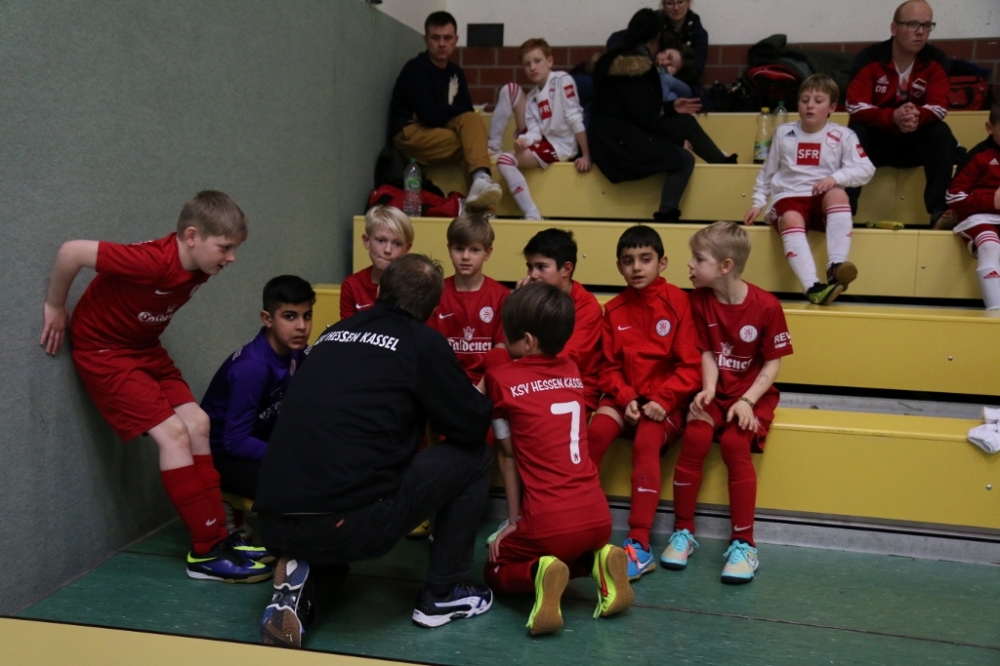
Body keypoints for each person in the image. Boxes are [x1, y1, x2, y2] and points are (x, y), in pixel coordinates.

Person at [254, 254, 494, 649]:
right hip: (346, 524)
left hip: (272, 523)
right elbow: (470, 426)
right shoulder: (421, 342)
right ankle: (444, 592)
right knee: (475, 458)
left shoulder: (332, 334)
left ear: (380, 289)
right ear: (432, 309)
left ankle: (300, 591)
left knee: (333, 530)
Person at [39, 190, 272, 583]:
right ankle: (205, 552)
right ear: (192, 236)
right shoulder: (152, 261)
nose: (231, 257)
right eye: (225, 247)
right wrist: (55, 306)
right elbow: (72, 251)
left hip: (144, 349)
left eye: (235, 248)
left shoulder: (201, 265)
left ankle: (220, 534)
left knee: (198, 423)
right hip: (105, 352)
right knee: (174, 435)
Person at [484, 282, 634, 635]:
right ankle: (599, 561)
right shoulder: (571, 369)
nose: (503, 340)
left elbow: (507, 456)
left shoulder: (500, 378)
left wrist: (513, 521)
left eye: (508, 335)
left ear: (528, 341)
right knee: (568, 547)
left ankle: (538, 571)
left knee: (493, 567)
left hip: (548, 522)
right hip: (597, 516)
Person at [663, 222, 794, 584]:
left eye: (698, 258)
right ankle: (682, 531)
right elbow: (706, 351)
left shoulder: (766, 305)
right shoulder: (698, 301)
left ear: (725, 266)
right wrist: (708, 389)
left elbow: (772, 363)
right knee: (695, 437)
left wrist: (748, 400)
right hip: (715, 392)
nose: (690, 265)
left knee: (736, 445)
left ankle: (745, 545)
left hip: (752, 395)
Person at [585, 225, 700, 580]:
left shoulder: (678, 302)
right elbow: (608, 368)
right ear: (619, 266)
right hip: (625, 397)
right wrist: (626, 397)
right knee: (596, 433)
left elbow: (690, 367)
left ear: (662, 263)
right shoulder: (614, 309)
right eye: (628, 260)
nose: (636, 267)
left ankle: (639, 542)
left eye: (645, 259)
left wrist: (663, 400)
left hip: (667, 401)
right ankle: (578, 522)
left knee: (647, 441)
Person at [589, 9, 732, 222]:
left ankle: (723, 165)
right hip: (617, 147)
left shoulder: (612, 60)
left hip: (610, 138)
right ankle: (667, 215)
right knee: (684, 159)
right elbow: (642, 117)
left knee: (685, 121)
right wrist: (677, 140)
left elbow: (633, 110)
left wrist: (672, 107)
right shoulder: (639, 67)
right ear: (656, 37)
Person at [744, 75, 875, 306]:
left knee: (838, 194)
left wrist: (835, 178)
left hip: (820, 201)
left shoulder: (843, 135)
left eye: (818, 101)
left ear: (832, 108)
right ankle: (812, 287)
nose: (810, 106)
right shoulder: (784, 133)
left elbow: (866, 169)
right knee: (791, 218)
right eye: (804, 100)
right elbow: (768, 171)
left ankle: (836, 266)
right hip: (789, 198)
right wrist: (757, 202)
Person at [201, 276, 314, 511]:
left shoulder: (297, 350)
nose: (302, 326)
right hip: (221, 457)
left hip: (259, 438)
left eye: (307, 316)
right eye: (290, 316)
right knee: (300, 482)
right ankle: (227, 511)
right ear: (267, 319)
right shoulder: (253, 369)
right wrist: (289, 453)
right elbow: (235, 442)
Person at [845, 0, 956, 227]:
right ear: (894, 28)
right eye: (912, 24)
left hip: (913, 141)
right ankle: (843, 209)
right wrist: (892, 117)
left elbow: (938, 107)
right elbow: (855, 105)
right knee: (854, 132)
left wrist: (914, 116)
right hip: (875, 143)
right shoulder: (870, 57)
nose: (920, 32)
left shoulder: (936, 59)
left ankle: (939, 211)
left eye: (927, 25)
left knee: (940, 132)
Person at [389, 11, 503, 211]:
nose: (442, 44)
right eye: (436, 38)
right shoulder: (416, 68)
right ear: (426, 39)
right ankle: (483, 207)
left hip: (437, 132)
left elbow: (464, 111)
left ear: (456, 40)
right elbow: (430, 115)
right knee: (472, 143)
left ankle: (480, 180)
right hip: (410, 135)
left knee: (471, 123)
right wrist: (442, 112)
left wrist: (438, 111)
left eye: (447, 38)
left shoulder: (456, 72)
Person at [487, 38, 592, 220]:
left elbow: (575, 117)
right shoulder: (533, 95)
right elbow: (535, 130)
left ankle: (533, 215)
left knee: (505, 161)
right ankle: (493, 147)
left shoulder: (562, 80)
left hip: (560, 146)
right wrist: (525, 140)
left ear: (549, 61)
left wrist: (586, 155)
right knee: (510, 89)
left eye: (537, 61)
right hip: (542, 141)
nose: (532, 68)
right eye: (527, 64)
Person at [518, 229, 603, 412]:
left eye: (541, 267)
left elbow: (566, 356)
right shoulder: (532, 298)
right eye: (530, 267)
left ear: (566, 269)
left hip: (574, 387)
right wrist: (519, 304)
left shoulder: (587, 307)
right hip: (534, 380)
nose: (533, 274)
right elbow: (513, 344)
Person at [428, 214, 509, 385]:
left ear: (488, 252)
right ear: (449, 249)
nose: (465, 256)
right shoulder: (434, 292)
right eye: (459, 249)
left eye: (474, 250)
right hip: (444, 381)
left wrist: (480, 390)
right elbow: (429, 349)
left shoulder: (501, 295)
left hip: (486, 384)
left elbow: (501, 350)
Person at [945, 101, 1000, 310]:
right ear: (990, 127)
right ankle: (996, 314)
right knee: (990, 245)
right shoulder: (978, 156)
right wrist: (991, 201)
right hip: (980, 218)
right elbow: (953, 197)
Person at [340, 205, 413, 320]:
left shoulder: (416, 286)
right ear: (366, 241)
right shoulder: (352, 285)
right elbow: (348, 329)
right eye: (381, 240)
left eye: (397, 244)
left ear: (407, 249)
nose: (387, 250)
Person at [659, 0, 709, 95]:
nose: (676, 8)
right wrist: (663, 71)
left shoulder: (699, 34)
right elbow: (647, 65)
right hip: (655, 81)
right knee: (670, 96)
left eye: (680, 2)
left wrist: (670, 72)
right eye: (670, 3)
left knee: (665, 79)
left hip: (686, 84)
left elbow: (696, 72)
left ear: (688, 3)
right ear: (664, 6)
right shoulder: (655, 29)